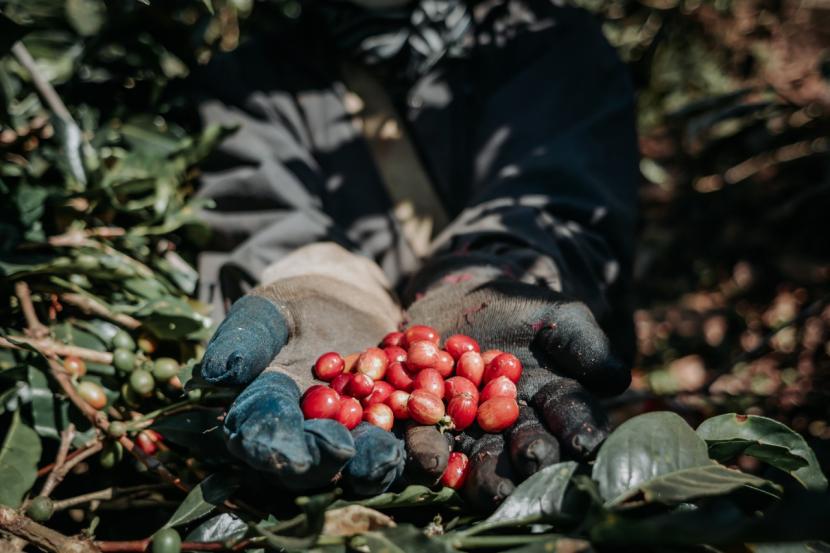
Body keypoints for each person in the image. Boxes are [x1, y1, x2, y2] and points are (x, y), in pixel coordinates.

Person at [194, 0, 638, 508]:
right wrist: (323, 286)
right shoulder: (250, 84)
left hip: (562, 418)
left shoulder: (550, 42)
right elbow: (266, 222)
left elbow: (557, 203)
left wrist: (492, 280)